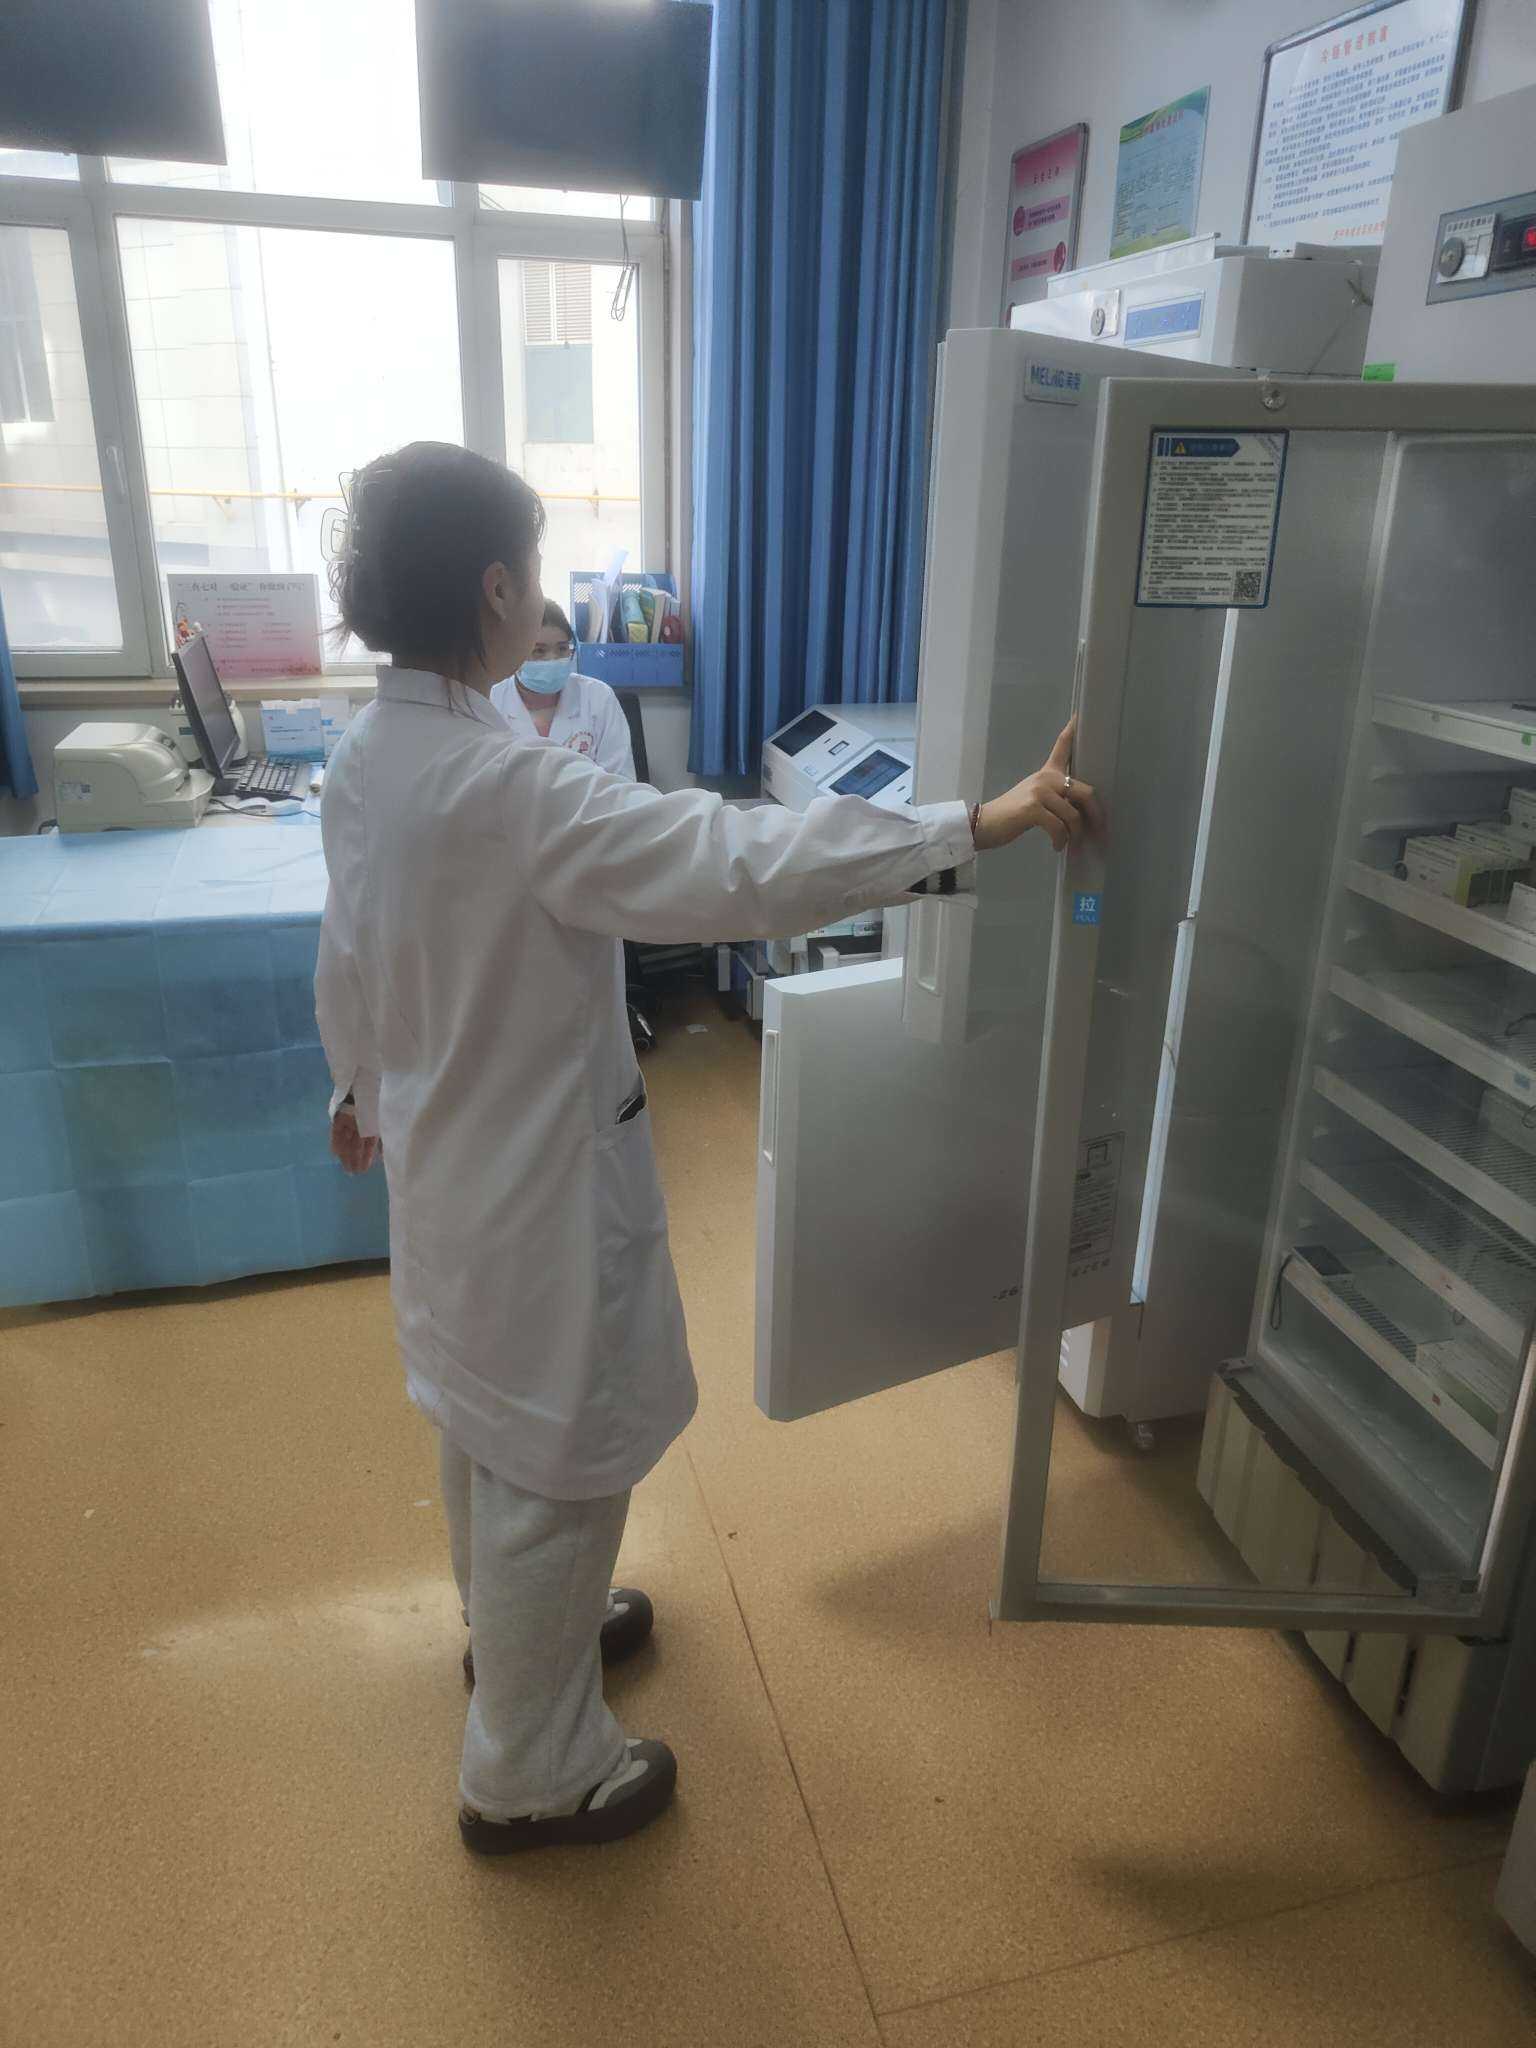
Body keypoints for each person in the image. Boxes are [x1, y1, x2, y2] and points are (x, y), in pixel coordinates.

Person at [315, 440, 1097, 1857]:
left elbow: (350, 946)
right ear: (496, 590)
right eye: (533, 571)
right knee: (561, 1454)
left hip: (445, 1161)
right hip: (534, 1179)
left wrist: (355, 1084)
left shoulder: (370, 754)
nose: (540, 597)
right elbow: (733, 864)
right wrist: (971, 825)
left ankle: (515, 1639)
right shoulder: (511, 789)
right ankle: (530, 1769)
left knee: (483, 1419)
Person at [490, 599, 636, 780]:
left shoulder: (598, 697)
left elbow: (620, 779)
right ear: (515, 652)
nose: (552, 659)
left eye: (562, 648)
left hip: (589, 799)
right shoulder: (492, 702)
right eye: (539, 651)